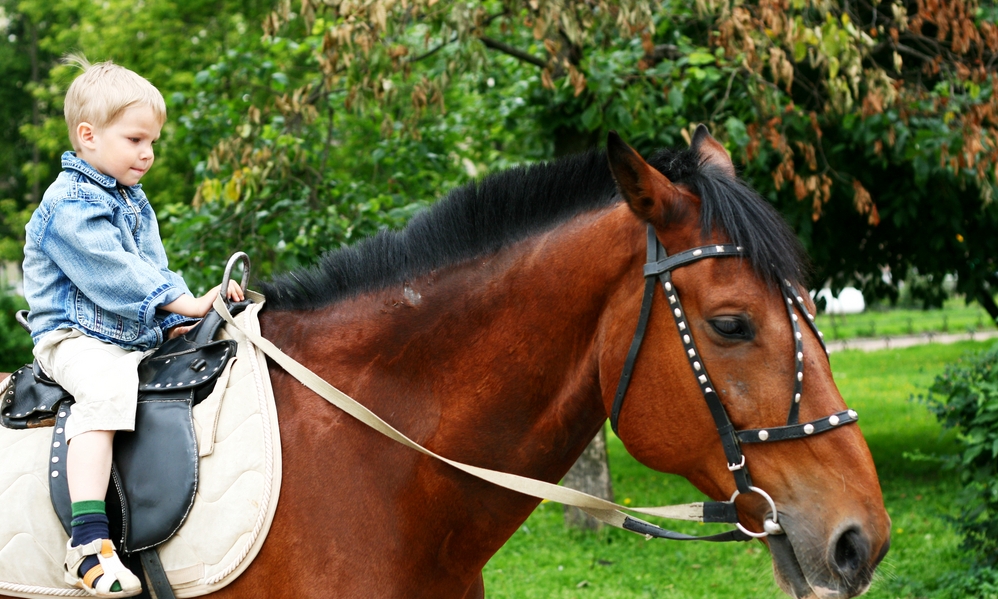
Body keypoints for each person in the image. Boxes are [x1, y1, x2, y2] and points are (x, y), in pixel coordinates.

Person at [21, 55, 243, 598]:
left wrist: (182, 315)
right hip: (72, 337)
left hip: (126, 333)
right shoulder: (68, 203)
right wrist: (180, 302)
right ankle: (88, 541)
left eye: (153, 142)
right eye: (135, 139)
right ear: (89, 136)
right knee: (106, 390)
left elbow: (151, 267)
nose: (147, 153)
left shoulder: (131, 199)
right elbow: (113, 275)